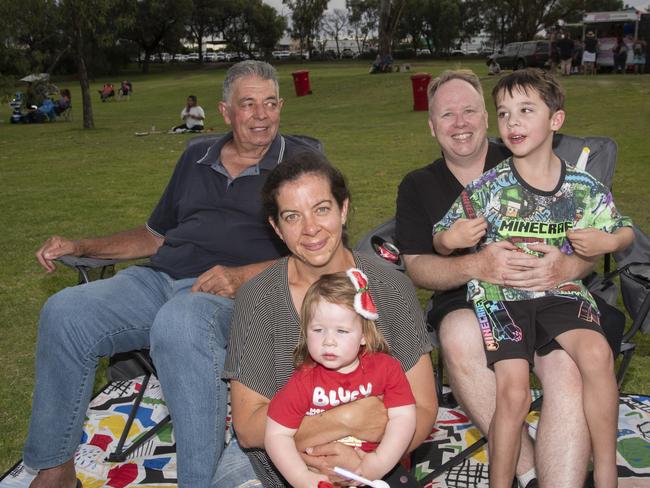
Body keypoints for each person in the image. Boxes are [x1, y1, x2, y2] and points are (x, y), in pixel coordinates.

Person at [24, 60, 318, 488]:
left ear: (281, 106)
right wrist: (81, 246)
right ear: (225, 111)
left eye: (270, 103)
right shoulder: (195, 155)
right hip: (161, 280)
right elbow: (153, 235)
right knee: (65, 311)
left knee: (180, 321)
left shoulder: (300, 163)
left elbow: (324, 251)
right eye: (248, 104)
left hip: (240, 297)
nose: (261, 115)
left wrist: (242, 276)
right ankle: (55, 469)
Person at [395, 69, 626, 487]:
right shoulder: (419, 185)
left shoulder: (527, 154)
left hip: (552, 289)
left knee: (570, 365)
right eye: (447, 115)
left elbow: (590, 236)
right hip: (470, 296)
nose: (460, 123)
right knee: (464, 337)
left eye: (469, 111)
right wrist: (475, 264)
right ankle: (530, 471)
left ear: (486, 119)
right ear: (432, 126)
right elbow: (418, 265)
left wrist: (565, 267)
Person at [224, 151, 437, 487]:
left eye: (322, 209)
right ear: (276, 228)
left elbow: (423, 406)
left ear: (344, 209)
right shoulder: (259, 298)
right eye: (292, 217)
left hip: (376, 463)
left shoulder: (390, 288)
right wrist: (347, 419)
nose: (311, 229)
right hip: (273, 471)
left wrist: (370, 465)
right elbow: (249, 429)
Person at [265, 270, 416, 487]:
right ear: (305, 332)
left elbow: (404, 417)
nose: (329, 341)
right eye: (318, 330)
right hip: (323, 478)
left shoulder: (386, 369)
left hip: (381, 470)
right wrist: (301, 478)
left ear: (364, 334)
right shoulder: (302, 382)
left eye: (342, 331)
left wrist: (380, 462)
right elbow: (276, 435)